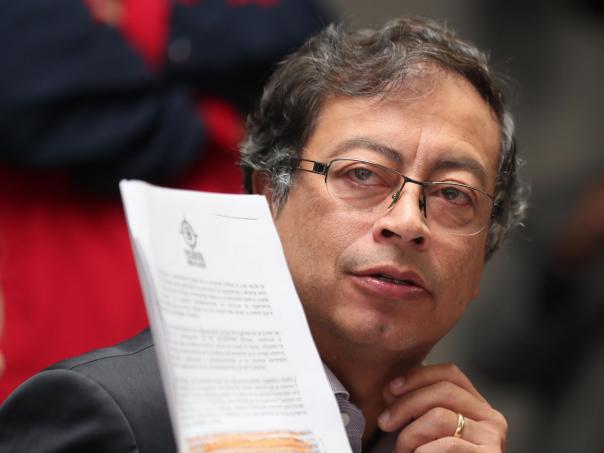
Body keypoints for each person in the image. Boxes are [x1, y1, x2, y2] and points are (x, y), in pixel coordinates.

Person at [0, 16, 527, 452]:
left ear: (485, 252)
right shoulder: (110, 413)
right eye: (362, 174)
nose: (408, 221)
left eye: (453, 194)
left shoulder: (447, 441)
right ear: (267, 197)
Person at [0, 0, 327, 401]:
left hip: (234, 307)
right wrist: (214, 119)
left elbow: (308, 56)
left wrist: (139, 21)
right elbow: (26, 95)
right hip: (70, 306)